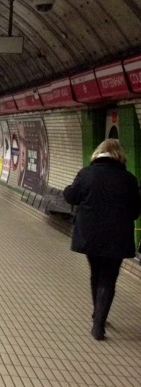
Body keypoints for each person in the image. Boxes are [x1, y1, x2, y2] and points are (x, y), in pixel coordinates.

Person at [63, 139, 141, 340]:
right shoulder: (129, 179)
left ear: (98, 153)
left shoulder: (87, 174)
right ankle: (99, 324)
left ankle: (97, 315)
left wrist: (67, 190)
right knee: (109, 277)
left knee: (95, 273)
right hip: (117, 237)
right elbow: (135, 211)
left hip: (91, 235)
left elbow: (71, 197)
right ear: (119, 156)